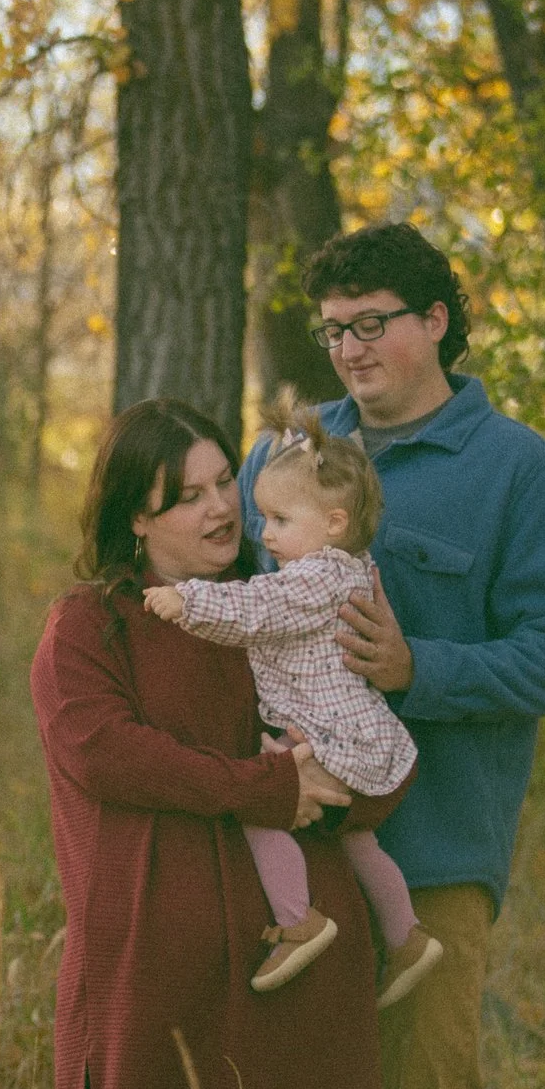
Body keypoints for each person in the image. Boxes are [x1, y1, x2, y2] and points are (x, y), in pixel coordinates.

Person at [250, 222, 545, 1089]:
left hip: (436, 850)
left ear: (436, 318)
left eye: (372, 323)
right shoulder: (287, 457)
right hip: (296, 848)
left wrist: (420, 668)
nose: (349, 348)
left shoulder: (520, 473)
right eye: (333, 329)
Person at [12, 397, 405, 1089]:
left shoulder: (280, 611)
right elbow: (111, 755)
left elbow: (351, 764)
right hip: (155, 958)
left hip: (288, 962)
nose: (216, 508)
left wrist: (339, 770)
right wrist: (267, 783)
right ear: (133, 517)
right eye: (181, 495)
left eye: (221, 481)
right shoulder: (90, 623)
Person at [141, 403, 441, 1003]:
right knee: (358, 840)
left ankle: (298, 919)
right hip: (365, 747)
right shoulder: (348, 567)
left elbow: (257, 610)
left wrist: (188, 603)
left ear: (333, 523)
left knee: (266, 801)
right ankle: (406, 935)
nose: (264, 534)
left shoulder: (314, 577)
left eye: (279, 519)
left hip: (341, 742)